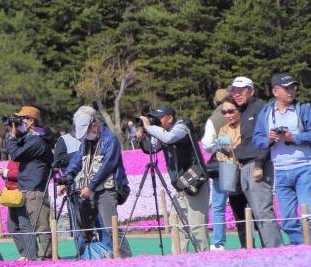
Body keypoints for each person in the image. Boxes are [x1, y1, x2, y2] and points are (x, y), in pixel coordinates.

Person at [251, 73, 311, 245]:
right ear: (275, 91)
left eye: (293, 87)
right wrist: (269, 140)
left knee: (310, 217)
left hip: (305, 167)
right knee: (288, 220)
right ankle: (300, 249)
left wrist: (294, 138)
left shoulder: (304, 109)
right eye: (286, 88)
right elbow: (257, 139)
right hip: (281, 170)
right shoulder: (266, 112)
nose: (291, 91)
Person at [136, 104, 210, 252]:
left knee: (196, 226)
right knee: (177, 226)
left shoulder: (181, 127)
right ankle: (178, 261)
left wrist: (150, 128)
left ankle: (204, 258)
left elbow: (169, 138)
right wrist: (143, 138)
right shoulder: (164, 131)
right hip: (180, 185)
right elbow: (153, 148)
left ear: (170, 118)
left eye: (159, 118)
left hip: (195, 183)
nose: (156, 120)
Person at [60, 106, 131, 257]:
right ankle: (88, 256)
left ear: (94, 126)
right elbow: (76, 162)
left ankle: (126, 257)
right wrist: (65, 179)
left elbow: (107, 166)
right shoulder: (86, 142)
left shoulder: (110, 140)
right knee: (83, 225)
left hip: (107, 189)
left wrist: (90, 186)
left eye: (86, 133)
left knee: (110, 227)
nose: (84, 137)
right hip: (88, 191)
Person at [229, 76, 282, 248]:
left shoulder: (260, 108)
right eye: (234, 91)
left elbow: (267, 138)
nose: (237, 95)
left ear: (251, 91)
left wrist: (259, 165)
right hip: (246, 165)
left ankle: (274, 247)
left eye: (241, 91)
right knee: (257, 212)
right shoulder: (243, 111)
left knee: (263, 210)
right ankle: (268, 246)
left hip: (256, 164)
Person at [3, 106, 55, 260]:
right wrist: (14, 133)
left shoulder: (37, 140)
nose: (18, 123)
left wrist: (11, 137)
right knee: (14, 226)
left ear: (31, 120)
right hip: (24, 188)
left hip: (34, 189)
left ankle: (48, 257)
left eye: (21, 119)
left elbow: (16, 154)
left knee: (41, 226)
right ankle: (29, 255)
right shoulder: (29, 138)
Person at [201, 98, 248, 250]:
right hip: (240, 167)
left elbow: (207, 144)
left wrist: (221, 147)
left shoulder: (212, 120)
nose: (227, 114)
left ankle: (219, 242)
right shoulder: (244, 117)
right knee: (244, 206)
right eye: (225, 111)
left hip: (225, 168)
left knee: (219, 206)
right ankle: (249, 242)